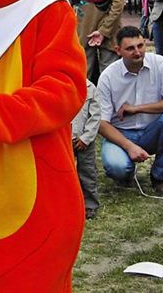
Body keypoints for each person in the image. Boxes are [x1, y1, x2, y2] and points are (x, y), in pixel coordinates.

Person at [97, 26, 163, 195]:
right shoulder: (108, 76)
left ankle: (159, 175)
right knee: (117, 167)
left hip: (153, 130)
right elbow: (102, 123)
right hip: (121, 134)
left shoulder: (160, 64)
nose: (137, 52)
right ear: (118, 50)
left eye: (140, 45)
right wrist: (129, 146)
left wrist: (137, 108)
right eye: (130, 48)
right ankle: (126, 173)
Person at [76, 0, 125, 85]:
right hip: (86, 30)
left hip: (98, 31)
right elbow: (117, 5)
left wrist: (104, 30)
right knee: (89, 77)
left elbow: (117, 6)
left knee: (108, 77)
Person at [72, 79, 101, 220]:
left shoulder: (90, 88)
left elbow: (95, 116)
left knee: (87, 172)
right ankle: (68, 202)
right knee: (64, 172)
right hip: (64, 138)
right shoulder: (59, 85)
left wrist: (86, 138)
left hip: (84, 139)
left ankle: (90, 204)